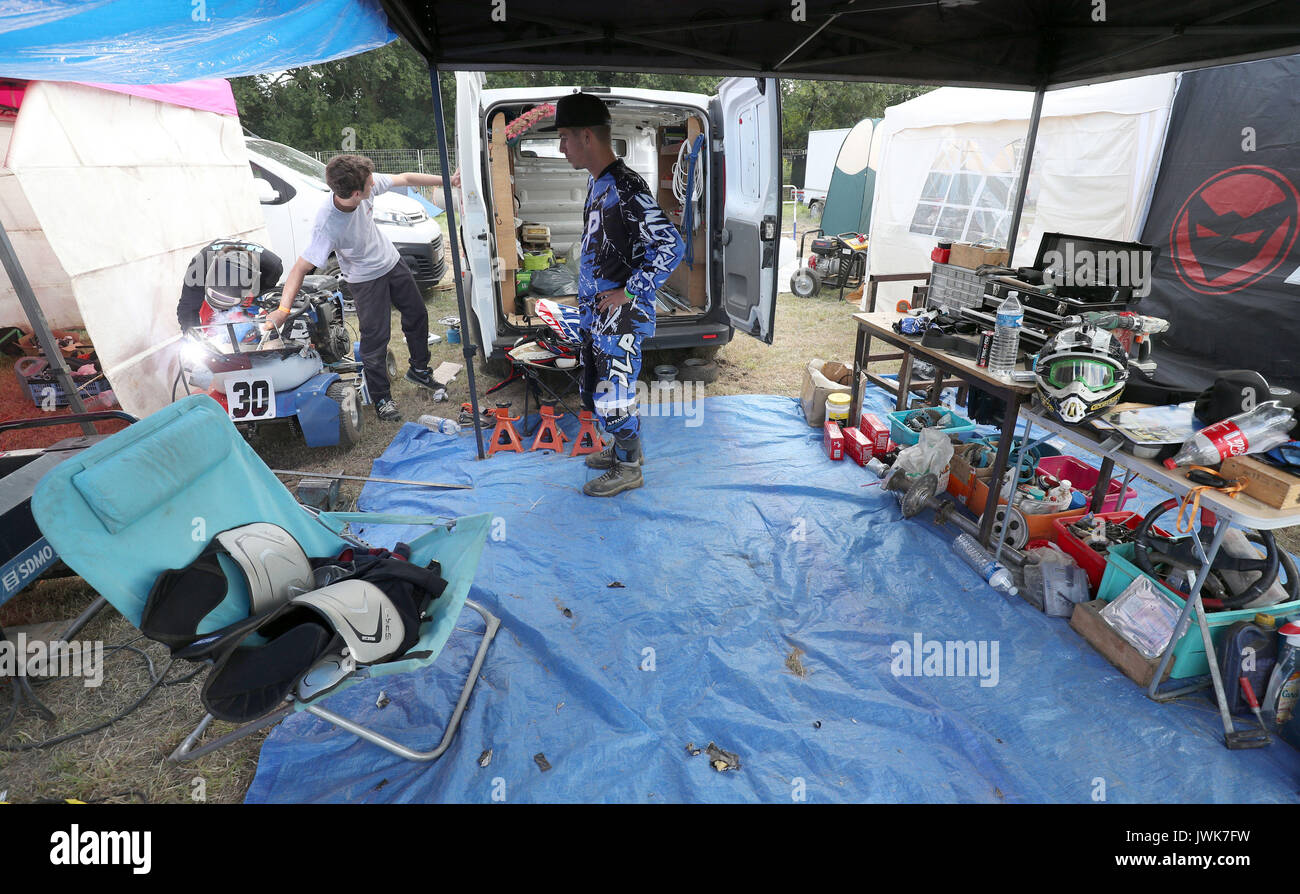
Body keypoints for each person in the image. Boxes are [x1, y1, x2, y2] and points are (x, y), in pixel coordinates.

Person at [556, 92, 684, 497]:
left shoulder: (626, 188)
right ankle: (625, 450)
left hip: (621, 317)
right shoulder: (600, 183)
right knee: (601, 389)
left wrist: (630, 291)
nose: (561, 148)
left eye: (564, 138)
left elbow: (671, 245)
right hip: (599, 316)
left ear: (587, 136)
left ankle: (629, 468)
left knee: (614, 394)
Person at [265, 155, 459, 421]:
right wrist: (283, 309)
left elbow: (405, 178)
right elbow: (299, 268)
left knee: (417, 315)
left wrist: (449, 181)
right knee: (375, 339)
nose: (374, 185)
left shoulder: (364, 184)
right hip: (364, 278)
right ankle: (382, 399)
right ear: (357, 193)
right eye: (369, 184)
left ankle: (420, 370)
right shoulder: (328, 224)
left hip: (391, 262)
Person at [177, 239, 284, 337]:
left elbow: (265, 288)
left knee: (247, 324)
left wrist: (254, 292)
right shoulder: (199, 266)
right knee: (210, 328)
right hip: (209, 289)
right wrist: (194, 337)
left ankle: (251, 338)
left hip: (250, 283)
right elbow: (187, 307)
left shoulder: (272, 267)